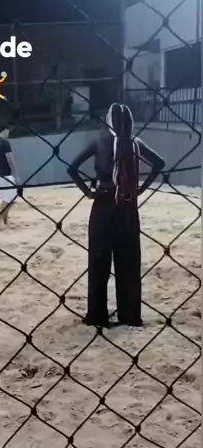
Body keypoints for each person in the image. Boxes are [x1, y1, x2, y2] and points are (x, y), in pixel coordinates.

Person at [68, 103, 164, 328]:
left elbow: (71, 168)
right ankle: (129, 315)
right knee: (129, 264)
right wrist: (141, 188)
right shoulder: (135, 143)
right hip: (128, 207)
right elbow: (159, 163)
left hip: (103, 206)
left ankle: (98, 315)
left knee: (98, 262)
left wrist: (88, 192)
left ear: (108, 120)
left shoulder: (99, 141)